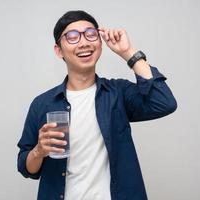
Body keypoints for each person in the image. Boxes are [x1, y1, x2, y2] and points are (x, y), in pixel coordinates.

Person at [17, 10, 177, 200]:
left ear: (100, 42)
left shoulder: (118, 93)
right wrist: (39, 151)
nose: (84, 42)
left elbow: (164, 102)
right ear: (59, 50)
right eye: (72, 37)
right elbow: (26, 168)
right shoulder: (42, 104)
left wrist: (128, 53)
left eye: (90, 34)